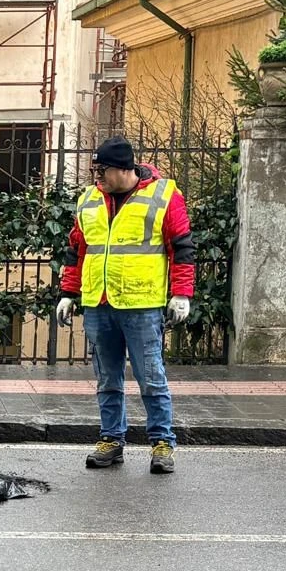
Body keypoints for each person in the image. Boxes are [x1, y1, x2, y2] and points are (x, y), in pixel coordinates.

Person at [55, 136, 195, 475]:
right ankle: (111, 440)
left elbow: (182, 247)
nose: (96, 177)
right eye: (94, 170)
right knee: (107, 378)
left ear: (123, 169)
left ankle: (162, 443)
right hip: (99, 302)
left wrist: (182, 294)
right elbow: (78, 250)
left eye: (101, 170)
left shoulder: (163, 196)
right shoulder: (89, 200)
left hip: (142, 304)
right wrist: (69, 293)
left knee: (150, 377)